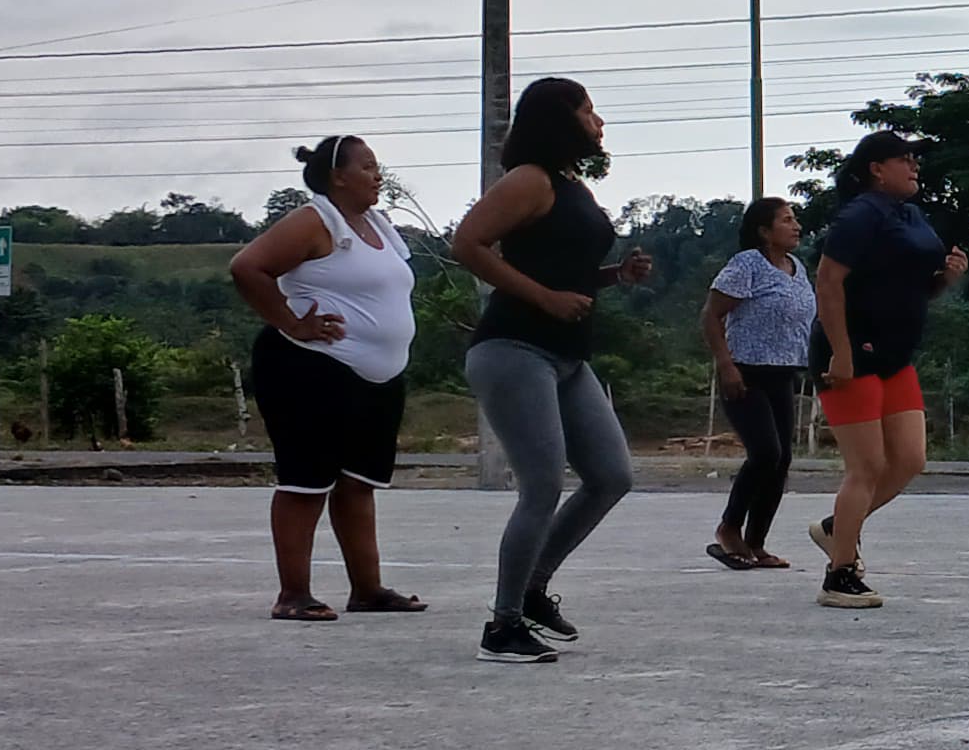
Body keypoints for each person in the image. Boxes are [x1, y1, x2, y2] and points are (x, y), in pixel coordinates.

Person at [452, 78, 655, 665]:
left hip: (566, 355)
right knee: (542, 485)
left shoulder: (570, 185)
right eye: (589, 110)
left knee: (611, 476)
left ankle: (533, 587)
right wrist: (544, 298)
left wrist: (616, 276)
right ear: (559, 119)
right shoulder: (529, 180)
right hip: (514, 349)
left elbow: (562, 268)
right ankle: (503, 626)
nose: (599, 121)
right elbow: (467, 244)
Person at [226, 135, 425, 622]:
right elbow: (248, 267)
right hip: (310, 368)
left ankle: (368, 590)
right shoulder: (316, 220)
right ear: (338, 176)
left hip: (376, 377)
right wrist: (292, 323)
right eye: (368, 167)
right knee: (306, 482)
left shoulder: (376, 224)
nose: (378, 175)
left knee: (358, 482)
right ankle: (293, 594)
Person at [806, 130, 968, 609]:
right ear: (876, 169)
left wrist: (945, 278)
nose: (915, 165)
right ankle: (839, 575)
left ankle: (837, 528)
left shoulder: (910, 215)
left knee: (910, 459)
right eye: (904, 158)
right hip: (852, 352)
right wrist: (841, 353)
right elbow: (828, 283)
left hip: (895, 353)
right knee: (868, 466)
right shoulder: (860, 215)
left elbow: (913, 289)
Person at [703, 196, 816, 571]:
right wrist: (726, 365)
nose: (796, 226)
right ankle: (729, 528)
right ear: (764, 231)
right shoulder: (747, 264)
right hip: (745, 373)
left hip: (783, 373)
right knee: (766, 452)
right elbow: (711, 315)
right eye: (787, 220)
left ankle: (756, 543)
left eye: (795, 219)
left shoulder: (797, 268)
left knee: (781, 459)